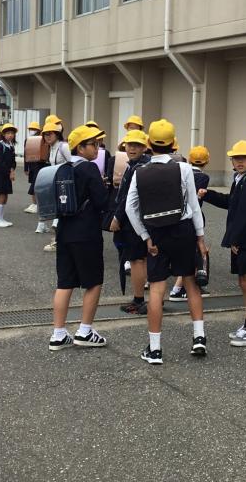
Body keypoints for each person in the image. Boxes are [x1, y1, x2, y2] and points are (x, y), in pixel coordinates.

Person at [126, 119, 208, 365]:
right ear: (173, 144)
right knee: (191, 283)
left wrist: (145, 236)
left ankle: (155, 350)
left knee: (157, 289)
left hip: (156, 234)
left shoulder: (139, 172)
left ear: (149, 144)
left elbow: (131, 208)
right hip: (183, 230)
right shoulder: (184, 168)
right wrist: (200, 236)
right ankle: (199, 337)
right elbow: (193, 205)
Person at [202, 141, 246, 347]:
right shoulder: (242, 179)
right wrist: (209, 194)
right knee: (245, 282)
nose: (239, 161)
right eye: (236, 158)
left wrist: (236, 239)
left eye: (244, 158)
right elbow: (231, 202)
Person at [48, 124, 110, 351]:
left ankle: (58, 334)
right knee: (93, 282)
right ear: (80, 148)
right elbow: (102, 202)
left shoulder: (63, 169)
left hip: (64, 231)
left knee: (65, 283)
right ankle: (85, 331)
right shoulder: (90, 169)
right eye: (93, 144)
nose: (97, 148)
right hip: (86, 232)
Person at [109, 129, 150, 315]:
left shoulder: (138, 167)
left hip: (134, 220)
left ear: (145, 147)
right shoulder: (139, 164)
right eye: (129, 145)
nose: (132, 148)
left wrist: (117, 217)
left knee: (136, 260)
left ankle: (139, 299)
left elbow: (128, 198)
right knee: (144, 259)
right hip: (144, 219)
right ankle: (149, 299)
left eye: (137, 145)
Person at [169, 146, 211, 301]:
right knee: (194, 254)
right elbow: (196, 201)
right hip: (193, 217)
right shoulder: (203, 177)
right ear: (206, 161)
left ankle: (181, 288)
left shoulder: (180, 171)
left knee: (186, 253)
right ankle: (178, 289)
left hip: (177, 217)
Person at [39, 119, 71, 245]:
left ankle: (59, 241)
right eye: (45, 134)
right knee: (58, 211)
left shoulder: (64, 146)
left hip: (65, 184)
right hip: (56, 183)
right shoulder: (51, 147)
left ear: (57, 134)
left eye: (50, 134)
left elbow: (72, 164)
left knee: (62, 212)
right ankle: (59, 240)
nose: (47, 137)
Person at [23, 121, 47, 214]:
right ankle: (34, 204)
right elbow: (25, 154)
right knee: (33, 183)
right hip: (31, 165)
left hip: (40, 165)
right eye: (30, 129)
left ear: (38, 130)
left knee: (36, 185)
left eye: (34, 129)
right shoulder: (27, 140)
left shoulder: (42, 139)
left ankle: (36, 204)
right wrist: (26, 168)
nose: (32, 130)